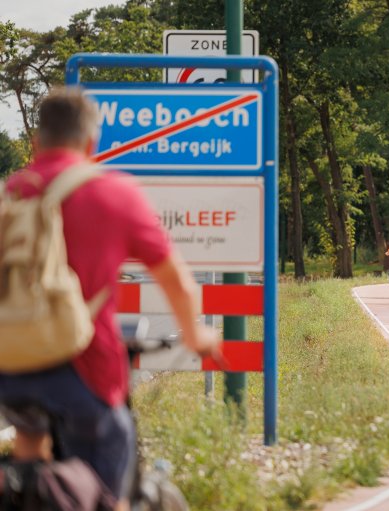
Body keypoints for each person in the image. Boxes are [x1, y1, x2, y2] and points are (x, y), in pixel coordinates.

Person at [0, 87, 222, 508]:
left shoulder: (11, 194)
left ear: (35, 142)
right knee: (108, 465)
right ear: (90, 142)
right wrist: (196, 335)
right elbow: (174, 276)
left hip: (7, 366)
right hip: (83, 370)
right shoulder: (111, 191)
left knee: (27, 444)